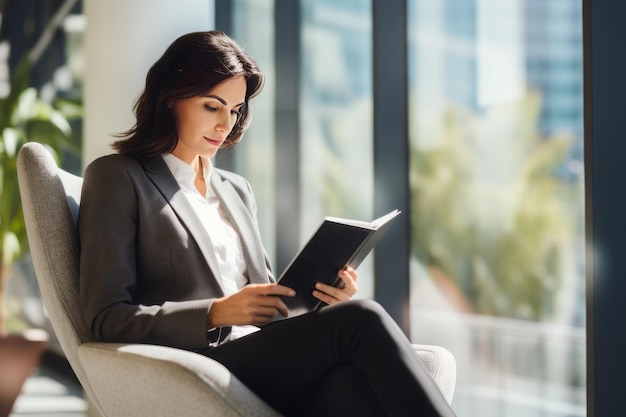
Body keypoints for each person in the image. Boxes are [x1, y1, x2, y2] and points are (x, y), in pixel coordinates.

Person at [78, 30, 455, 417]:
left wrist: (322, 300)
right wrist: (216, 312)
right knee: (364, 318)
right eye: (212, 106)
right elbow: (106, 318)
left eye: (236, 110)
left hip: (264, 354)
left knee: (350, 385)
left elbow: (269, 302)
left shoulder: (235, 190)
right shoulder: (119, 177)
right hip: (198, 364)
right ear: (171, 98)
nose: (226, 123)